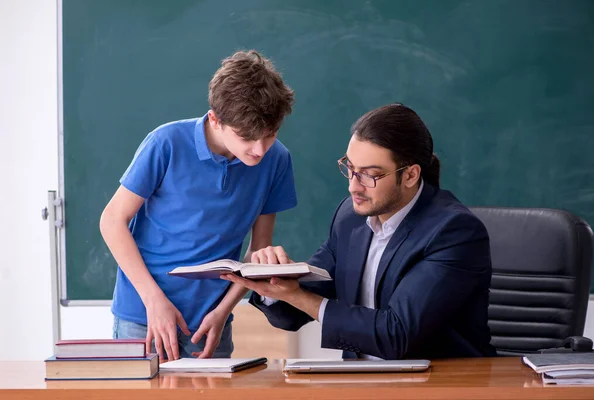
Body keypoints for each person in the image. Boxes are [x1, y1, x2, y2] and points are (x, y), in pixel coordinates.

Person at [224, 103, 497, 360]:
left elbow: (397, 334)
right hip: (362, 382)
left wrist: (297, 295)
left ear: (411, 175)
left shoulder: (454, 232)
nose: (354, 187)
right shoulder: (350, 218)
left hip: (441, 386)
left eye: (370, 175)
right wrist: (273, 286)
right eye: (350, 169)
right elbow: (294, 311)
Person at [99, 50, 297, 362]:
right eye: (247, 137)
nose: (259, 150)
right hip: (143, 316)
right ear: (215, 119)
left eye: (270, 135)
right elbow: (112, 221)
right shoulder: (165, 143)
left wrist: (223, 312)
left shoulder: (277, 160)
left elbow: (256, 254)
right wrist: (153, 302)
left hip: (209, 323)